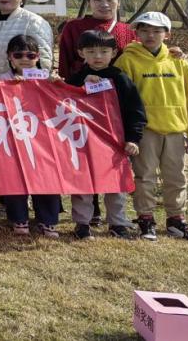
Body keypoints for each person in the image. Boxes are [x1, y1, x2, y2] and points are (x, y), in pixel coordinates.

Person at [115, 11, 188, 242]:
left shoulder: (179, 61)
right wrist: (129, 133)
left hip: (175, 130)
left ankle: (176, 219)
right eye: (144, 30)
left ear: (167, 34)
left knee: (176, 177)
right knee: (145, 177)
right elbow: (121, 99)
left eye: (156, 31)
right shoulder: (127, 60)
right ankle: (145, 219)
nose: (150, 35)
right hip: (145, 131)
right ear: (137, 33)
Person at [66, 29, 144, 240]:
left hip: (115, 143)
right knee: (83, 183)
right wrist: (80, 85)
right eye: (91, 52)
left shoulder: (121, 79)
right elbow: (63, 103)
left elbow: (135, 111)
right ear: (81, 53)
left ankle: (117, 223)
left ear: (114, 52)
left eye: (103, 51)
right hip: (84, 142)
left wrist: (133, 138)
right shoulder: (75, 79)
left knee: (115, 183)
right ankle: (82, 223)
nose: (98, 56)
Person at [0, 36, 62, 238]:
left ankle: (48, 220)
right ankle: (19, 218)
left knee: (46, 177)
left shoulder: (46, 78)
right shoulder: (2, 79)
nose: (24, 59)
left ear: (38, 57)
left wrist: (56, 84)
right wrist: (4, 86)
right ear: (10, 57)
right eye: (18, 55)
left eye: (30, 55)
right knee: (15, 178)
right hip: (13, 137)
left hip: (43, 138)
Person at [57, 0, 136, 79]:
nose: (104, 4)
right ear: (89, 1)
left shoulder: (129, 31)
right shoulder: (72, 27)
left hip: (120, 86)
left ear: (119, 2)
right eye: (97, 0)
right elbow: (65, 65)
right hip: (81, 86)